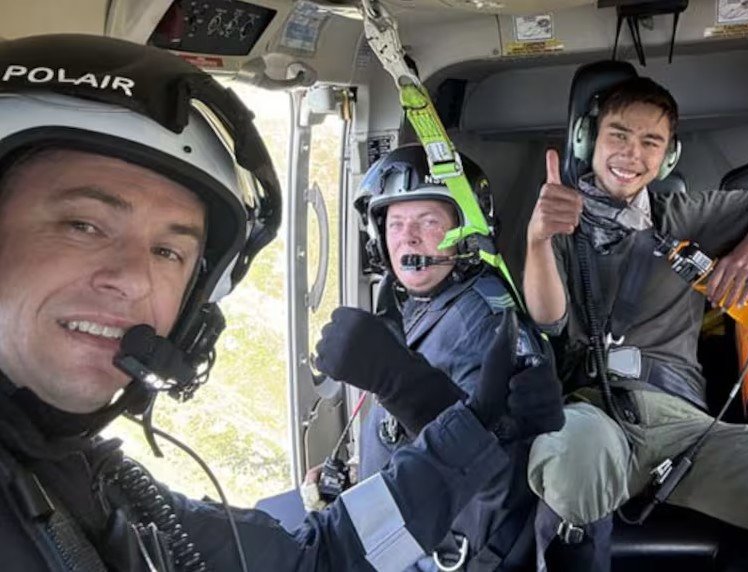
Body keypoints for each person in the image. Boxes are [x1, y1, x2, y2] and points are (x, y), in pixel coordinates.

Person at [0, 33, 563, 571]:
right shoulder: (405, 311)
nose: (131, 279)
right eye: (82, 225)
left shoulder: (87, 478)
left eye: (168, 251)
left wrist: (442, 410)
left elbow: (324, 558)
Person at [522, 75, 748, 570]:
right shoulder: (559, 218)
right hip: (595, 413)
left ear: (668, 157)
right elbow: (549, 320)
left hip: (687, 430)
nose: (632, 154)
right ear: (588, 140)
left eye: (651, 142)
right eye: (618, 135)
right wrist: (538, 240)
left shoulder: (685, 216)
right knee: (574, 456)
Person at [317, 144, 559, 571]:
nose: (408, 238)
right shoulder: (417, 305)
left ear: (465, 231)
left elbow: (494, 475)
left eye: (428, 222)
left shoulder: (483, 320)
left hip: (449, 555)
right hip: (406, 530)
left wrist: (398, 381)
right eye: (395, 224)